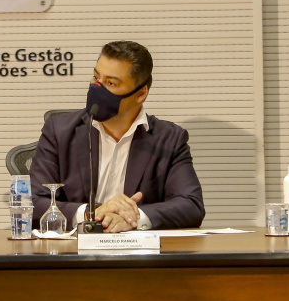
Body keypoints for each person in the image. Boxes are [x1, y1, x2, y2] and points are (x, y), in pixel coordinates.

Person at [30, 41, 205, 232]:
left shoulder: (169, 139)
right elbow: (34, 202)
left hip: (140, 254)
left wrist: (133, 217)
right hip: (73, 253)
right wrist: (93, 212)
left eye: (111, 83)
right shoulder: (59, 130)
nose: (97, 88)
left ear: (140, 94)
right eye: (96, 77)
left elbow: (191, 206)